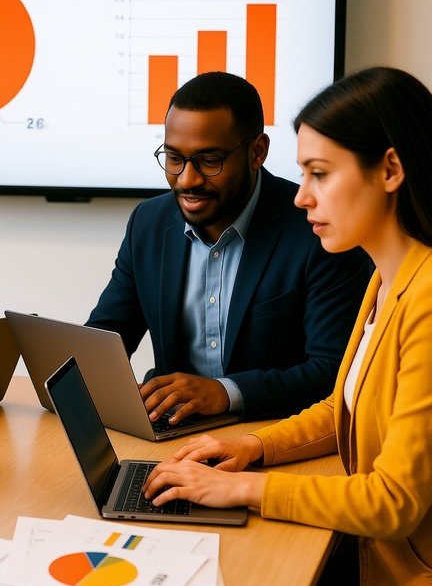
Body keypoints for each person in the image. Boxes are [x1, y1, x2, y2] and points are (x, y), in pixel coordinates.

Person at [143, 67, 432, 586]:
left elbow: (395, 502)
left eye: (320, 174)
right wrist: (250, 447)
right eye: (302, 174)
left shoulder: (426, 301)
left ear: (391, 170)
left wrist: (241, 489)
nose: (301, 196)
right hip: (361, 558)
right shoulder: (387, 279)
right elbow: (341, 407)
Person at [87, 71, 371, 424]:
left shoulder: (319, 230)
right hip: (176, 434)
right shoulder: (148, 223)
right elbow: (106, 338)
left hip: (276, 432)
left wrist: (225, 392)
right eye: (174, 158)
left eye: (209, 161)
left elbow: (335, 371)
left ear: (257, 152)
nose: (187, 180)